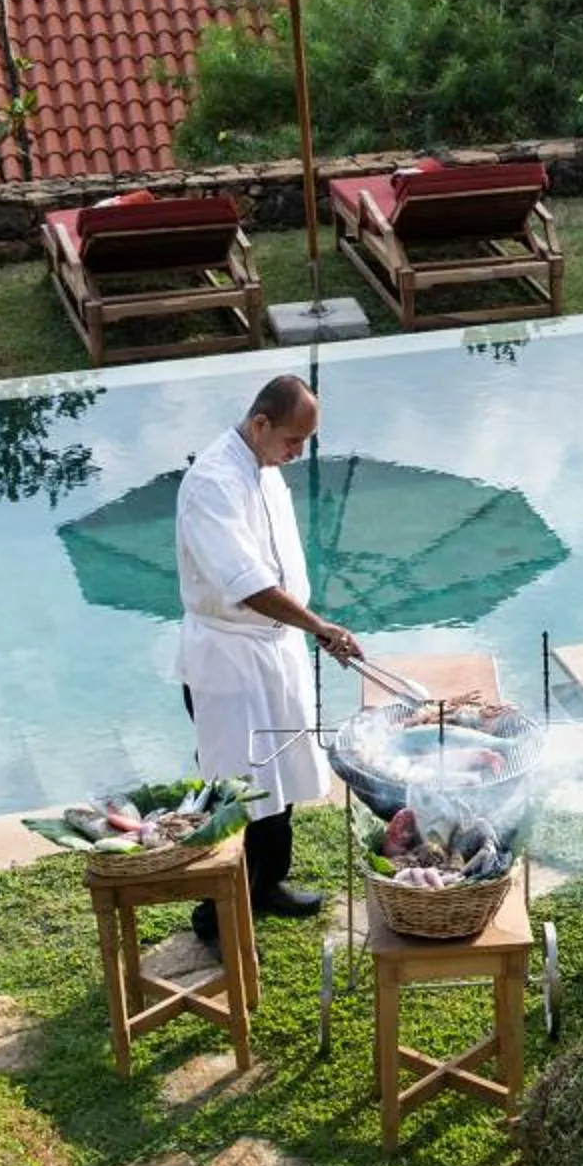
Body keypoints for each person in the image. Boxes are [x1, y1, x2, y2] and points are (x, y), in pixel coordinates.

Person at [175, 372, 361, 940]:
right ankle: (217, 914)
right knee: (235, 788)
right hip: (229, 657)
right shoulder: (212, 482)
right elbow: (248, 585)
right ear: (260, 424)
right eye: (292, 440)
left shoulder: (266, 468)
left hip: (276, 647)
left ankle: (267, 885)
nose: (297, 453)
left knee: (280, 770)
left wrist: (307, 626)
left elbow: (278, 567)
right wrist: (319, 627)